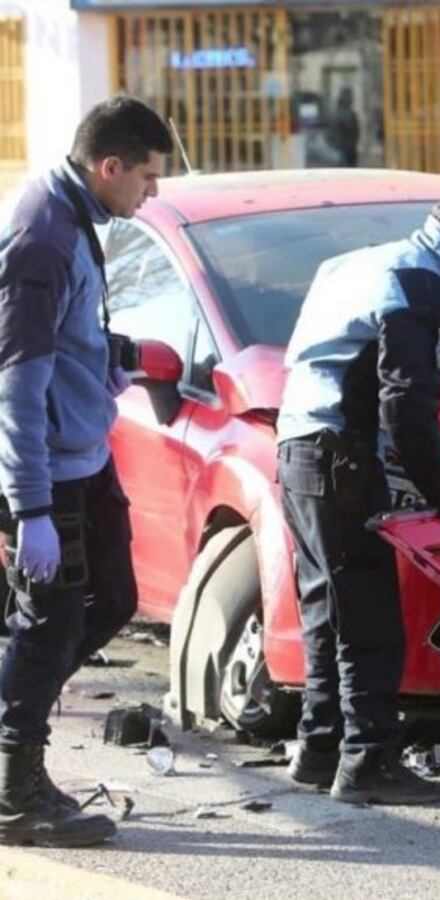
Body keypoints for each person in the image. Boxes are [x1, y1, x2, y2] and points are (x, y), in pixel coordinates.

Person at [276, 184, 440, 805]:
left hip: (297, 448)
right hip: (341, 455)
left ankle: (320, 749)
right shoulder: (418, 285)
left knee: (326, 608)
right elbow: (407, 409)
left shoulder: (359, 263)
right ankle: (369, 762)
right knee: (369, 618)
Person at [0, 96, 171, 846]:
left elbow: (65, 342)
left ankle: (13, 733)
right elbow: (16, 382)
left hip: (82, 456)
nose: (152, 192)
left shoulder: (75, 215)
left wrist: (105, 362)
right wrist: (31, 508)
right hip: (47, 471)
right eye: (147, 177)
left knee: (114, 599)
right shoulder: (43, 237)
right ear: (109, 166)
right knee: (48, 624)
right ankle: (14, 792)